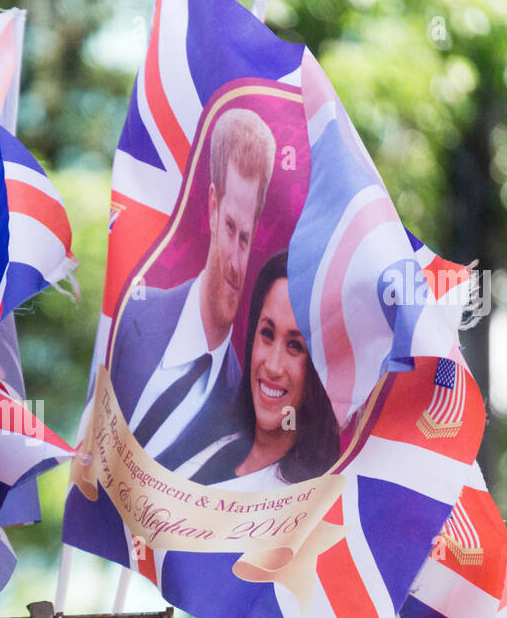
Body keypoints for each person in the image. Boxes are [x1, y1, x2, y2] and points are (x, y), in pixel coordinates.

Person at [109, 107, 277, 470]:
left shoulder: (248, 406)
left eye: (245, 238)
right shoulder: (132, 317)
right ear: (213, 209)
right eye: (231, 228)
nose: (235, 261)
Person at [185, 251, 338, 488]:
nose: (273, 366)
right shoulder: (209, 446)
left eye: (295, 346)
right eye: (267, 333)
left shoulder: (310, 500)